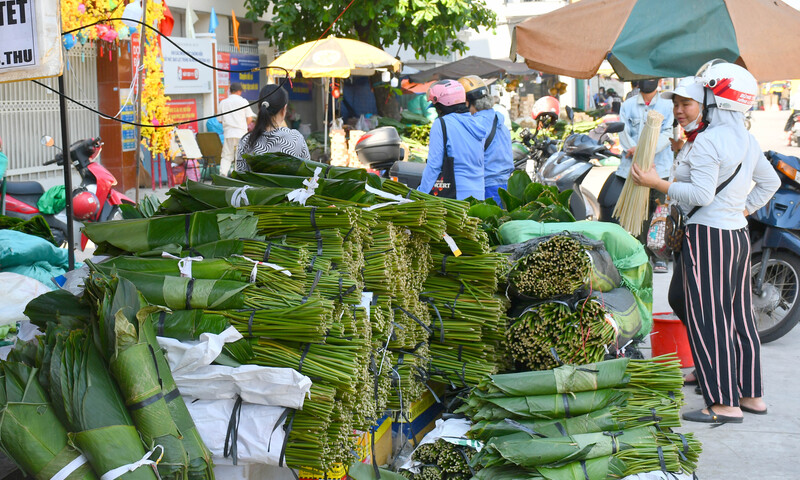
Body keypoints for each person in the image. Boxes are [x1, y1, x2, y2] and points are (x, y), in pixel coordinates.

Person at [631, 61, 779, 424]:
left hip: (709, 237)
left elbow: (701, 194)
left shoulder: (711, 140)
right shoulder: (745, 138)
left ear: (716, 101)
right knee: (739, 317)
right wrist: (743, 209)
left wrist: (656, 183)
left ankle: (723, 403)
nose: (686, 107)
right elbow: (770, 182)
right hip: (736, 236)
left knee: (709, 320)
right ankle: (751, 395)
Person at [598, 78, 674, 273]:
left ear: (659, 81)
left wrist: (644, 150)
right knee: (636, 212)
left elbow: (668, 133)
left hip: (660, 169)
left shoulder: (667, 106)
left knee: (658, 214)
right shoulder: (628, 105)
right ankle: (641, 253)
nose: (648, 81)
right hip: (633, 168)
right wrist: (636, 150)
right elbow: (623, 131)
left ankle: (659, 256)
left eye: (652, 78)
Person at [417, 80, 488, 200]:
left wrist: (420, 193)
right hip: (478, 194)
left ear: (441, 106)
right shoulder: (476, 124)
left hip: (455, 196)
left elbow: (434, 166)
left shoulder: (442, 124)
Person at [458, 75, 513, 204]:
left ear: (467, 102)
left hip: (486, 188)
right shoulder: (499, 121)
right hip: (506, 187)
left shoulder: (474, 125)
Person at [236, 84, 310, 173]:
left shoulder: (246, 141)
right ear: (284, 109)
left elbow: (241, 175)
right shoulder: (296, 138)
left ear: (260, 108)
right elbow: (308, 171)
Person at [219, 83, 256, 175]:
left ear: (230, 91)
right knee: (239, 157)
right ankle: (237, 176)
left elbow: (219, 120)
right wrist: (242, 125)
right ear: (239, 91)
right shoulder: (243, 101)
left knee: (226, 156)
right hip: (241, 133)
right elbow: (250, 118)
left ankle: (223, 174)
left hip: (228, 133)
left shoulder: (223, 102)